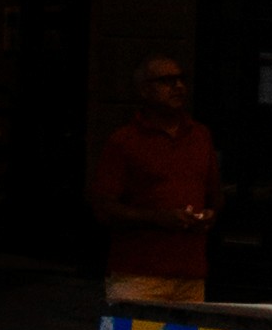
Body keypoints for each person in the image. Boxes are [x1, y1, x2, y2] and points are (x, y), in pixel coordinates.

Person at [90, 55, 222, 305]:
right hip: (139, 275)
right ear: (144, 90)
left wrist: (208, 216)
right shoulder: (125, 141)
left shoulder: (199, 136)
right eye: (166, 81)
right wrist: (158, 218)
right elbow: (104, 208)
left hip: (190, 274)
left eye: (181, 79)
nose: (178, 86)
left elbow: (213, 195)